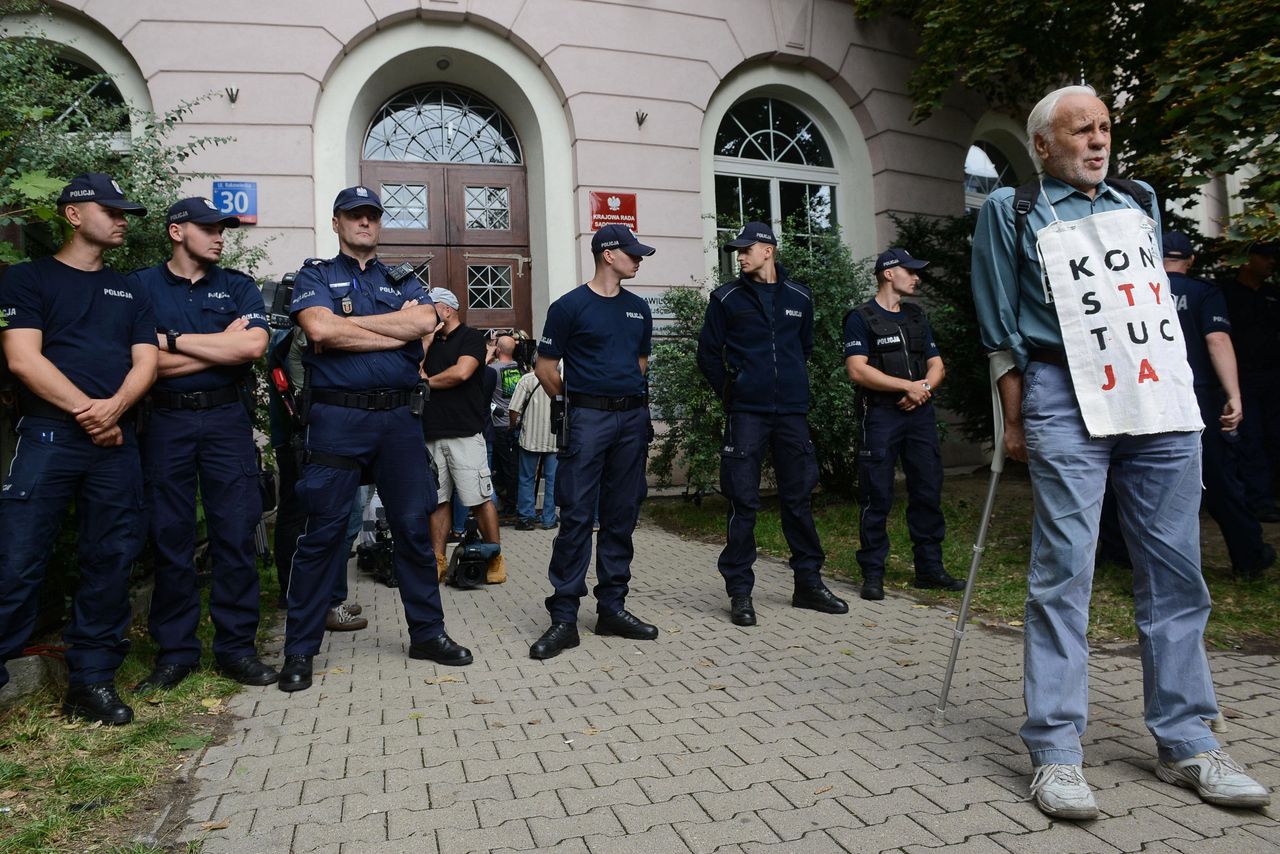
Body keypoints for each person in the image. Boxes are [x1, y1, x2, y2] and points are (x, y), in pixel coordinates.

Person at [971, 85, 1269, 818]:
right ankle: (1056, 752)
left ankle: (1188, 739)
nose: (1098, 141)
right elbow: (1001, 330)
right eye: (1080, 131)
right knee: (1063, 573)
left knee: (1176, 569)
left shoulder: (1138, 200)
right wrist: (1015, 422)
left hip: (1154, 401)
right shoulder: (1010, 213)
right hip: (1063, 397)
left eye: (1104, 128)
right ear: (1043, 146)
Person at [279, 185, 472, 693]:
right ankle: (299, 650)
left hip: (399, 421)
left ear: (378, 224)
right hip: (338, 421)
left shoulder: (401, 278)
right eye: (354, 215)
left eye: (371, 216)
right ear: (338, 222)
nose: (364, 223)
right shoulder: (315, 275)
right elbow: (320, 332)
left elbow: (425, 324)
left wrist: (351, 326)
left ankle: (428, 634)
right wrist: (392, 330)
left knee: (412, 529)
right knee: (322, 535)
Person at [0, 173, 157, 724]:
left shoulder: (130, 289)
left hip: (115, 442)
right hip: (49, 436)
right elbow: (23, 359)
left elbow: (147, 363)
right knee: (17, 557)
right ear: (73, 214)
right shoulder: (27, 279)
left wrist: (112, 411)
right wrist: (92, 413)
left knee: (111, 559)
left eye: (125, 212)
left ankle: (91, 682)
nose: (121, 219)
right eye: (110, 210)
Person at [129, 198, 276, 693]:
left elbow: (251, 350)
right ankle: (176, 654)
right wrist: (217, 347)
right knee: (170, 537)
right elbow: (133, 364)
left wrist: (166, 343)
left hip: (224, 420)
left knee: (235, 534)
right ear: (176, 231)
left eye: (223, 228)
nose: (220, 235)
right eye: (209, 227)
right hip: (165, 422)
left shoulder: (237, 285)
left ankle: (236, 648)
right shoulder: (139, 287)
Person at [696, 221, 846, 628]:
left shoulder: (800, 296)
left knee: (798, 498)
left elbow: (805, 347)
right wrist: (733, 390)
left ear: (768, 250)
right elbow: (708, 354)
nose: (739, 256)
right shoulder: (725, 297)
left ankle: (808, 584)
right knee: (742, 501)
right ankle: (740, 592)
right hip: (746, 414)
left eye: (746, 249)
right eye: (737, 250)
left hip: (792, 413)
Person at [528, 224, 658, 659]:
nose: (638, 259)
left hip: (631, 419)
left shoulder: (639, 308)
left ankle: (612, 610)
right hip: (586, 420)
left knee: (622, 515)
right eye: (633, 253)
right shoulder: (569, 307)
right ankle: (564, 617)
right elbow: (546, 367)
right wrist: (577, 403)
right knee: (578, 516)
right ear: (608, 254)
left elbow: (639, 362)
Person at [844, 248, 962, 601]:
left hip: (919, 415)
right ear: (889, 273)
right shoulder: (860, 317)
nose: (917, 277)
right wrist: (906, 386)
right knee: (876, 494)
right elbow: (857, 369)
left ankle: (929, 569)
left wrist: (922, 388)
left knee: (927, 490)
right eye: (910, 271)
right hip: (880, 415)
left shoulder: (915, 316)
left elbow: (936, 365)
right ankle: (873, 573)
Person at [1164, 232, 1274, 577]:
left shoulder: (1136, 290)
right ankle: (1249, 557)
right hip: (1198, 396)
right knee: (1221, 480)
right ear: (1191, 260)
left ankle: (1126, 558)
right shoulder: (1204, 292)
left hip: (1151, 395)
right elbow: (1217, 340)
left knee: (1141, 480)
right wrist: (1234, 395)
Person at [422, 287, 506, 584]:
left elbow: (461, 372)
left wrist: (426, 383)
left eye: (429, 308)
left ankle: (495, 557)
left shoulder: (471, 337)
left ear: (446, 310)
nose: (424, 314)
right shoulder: (427, 341)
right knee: (437, 501)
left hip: (465, 433)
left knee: (479, 498)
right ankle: (438, 560)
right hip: (431, 434)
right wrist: (426, 340)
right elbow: (411, 371)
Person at [1219, 243, 1280, 522]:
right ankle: (1260, 500)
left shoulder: (1272, 295)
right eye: (1265, 256)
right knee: (1251, 439)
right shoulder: (1226, 295)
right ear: (1246, 260)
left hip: (1273, 377)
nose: (1271, 262)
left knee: (1274, 435)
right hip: (1243, 379)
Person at [509, 358, 559, 530]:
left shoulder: (527, 379)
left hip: (530, 437)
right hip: (554, 438)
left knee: (526, 479)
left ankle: (526, 518)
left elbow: (514, 409)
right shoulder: (560, 379)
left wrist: (513, 425)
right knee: (553, 481)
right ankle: (549, 519)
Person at [488, 335, 523, 521]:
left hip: (500, 425)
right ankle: (514, 503)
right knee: (514, 464)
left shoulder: (492, 370)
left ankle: (508, 505)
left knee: (501, 467)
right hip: (517, 423)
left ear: (498, 350)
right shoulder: (521, 368)